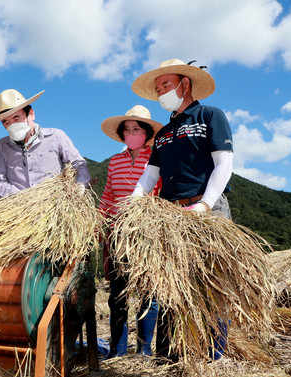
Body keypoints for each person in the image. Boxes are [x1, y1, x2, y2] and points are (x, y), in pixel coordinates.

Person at [131, 58, 234, 361]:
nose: (162, 91)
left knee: (213, 283)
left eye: (166, 85)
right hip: (171, 213)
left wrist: (204, 204)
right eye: (158, 87)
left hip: (208, 208)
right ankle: (174, 354)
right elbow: (150, 176)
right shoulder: (162, 133)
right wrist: (133, 205)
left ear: (184, 84)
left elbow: (224, 163)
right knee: (172, 286)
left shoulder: (210, 116)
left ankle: (215, 356)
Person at [99, 105, 163, 358]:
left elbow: (158, 195)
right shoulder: (115, 161)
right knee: (117, 294)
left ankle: (144, 350)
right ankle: (118, 350)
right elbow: (107, 196)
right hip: (117, 234)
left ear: (146, 133)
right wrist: (98, 220)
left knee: (148, 292)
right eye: (127, 129)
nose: (131, 132)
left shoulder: (156, 159)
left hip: (146, 235)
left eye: (136, 129)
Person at [0, 89, 91, 197]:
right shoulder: (1, 147)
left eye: (16, 118)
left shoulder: (56, 136)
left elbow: (78, 164)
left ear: (31, 114)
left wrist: (80, 185)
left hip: (55, 202)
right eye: (6, 122)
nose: (12, 125)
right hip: (18, 207)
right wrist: (23, 198)